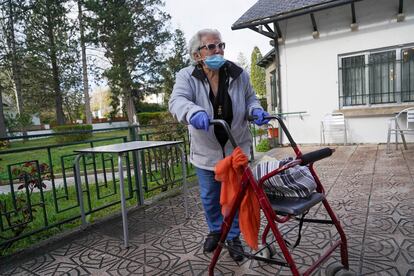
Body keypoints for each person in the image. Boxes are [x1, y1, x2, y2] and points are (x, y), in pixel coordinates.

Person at [168, 28, 269, 262]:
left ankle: (233, 236)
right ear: (197, 55)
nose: (218, 50)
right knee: (210, 196)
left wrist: (255, 110)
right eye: (211, 47)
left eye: (221, 45)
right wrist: (192, 112)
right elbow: (177, 101)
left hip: (235, 148)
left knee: (235, 196)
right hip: (206, 151)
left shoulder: (238, 73)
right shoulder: (186, 76)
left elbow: (250, 98)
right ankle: (216, 230)